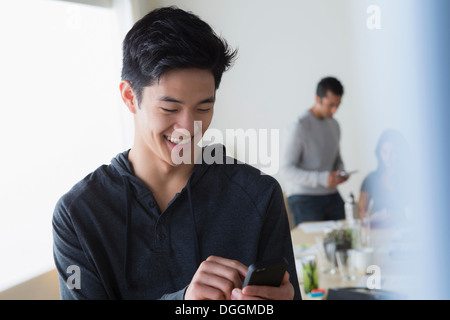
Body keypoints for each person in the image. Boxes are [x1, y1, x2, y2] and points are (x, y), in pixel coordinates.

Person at [52, 6, 300, 300]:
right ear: (130, 97)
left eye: (204, 108)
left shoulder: (259, 195)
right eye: (170, 109)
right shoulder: (79, 214)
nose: (188, 127)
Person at [281, 77, 349, 225]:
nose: (334, 111)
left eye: (338, 105)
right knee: (313, 244)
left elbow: (337, 158)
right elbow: (286, 169)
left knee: (348, 235)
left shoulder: (335, 125)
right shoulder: (299, 127)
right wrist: (323, 179)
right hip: (304, 196)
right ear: (317, 99)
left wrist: (340, 172)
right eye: (330, 105)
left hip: (331, 194)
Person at [358, 129, 410, 225]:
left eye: (393, 152)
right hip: (379, 232)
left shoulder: (411, 179)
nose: (388, 157)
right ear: (379, 153)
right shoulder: (371, 179)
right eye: (384, 152)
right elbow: (361, 212)